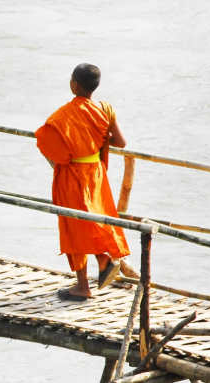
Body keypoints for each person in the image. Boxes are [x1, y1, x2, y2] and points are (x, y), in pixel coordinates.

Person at [36, 63, 136, 301]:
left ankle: (82, 286)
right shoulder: (105, 109)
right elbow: (120, 142)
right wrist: (97, 139)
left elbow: (45, 141)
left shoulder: (62, 115)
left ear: (74, 85)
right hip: (96, 174)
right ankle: (103, 259)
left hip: (72, 175)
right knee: (93, 221)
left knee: (74, 226)